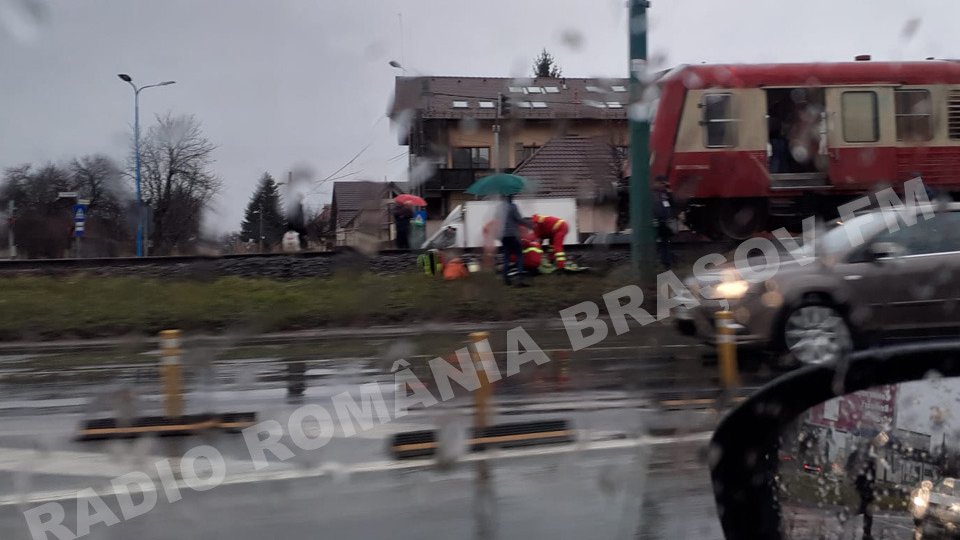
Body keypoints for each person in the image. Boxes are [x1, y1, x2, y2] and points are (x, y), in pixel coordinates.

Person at [500, 194, 532, 286]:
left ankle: (506, 278)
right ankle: (520, 278)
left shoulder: (500, 208)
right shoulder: (513, 207)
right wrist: (529, 224)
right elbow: (519, 219)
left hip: (503, 235)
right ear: (510, 198)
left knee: (506, 256)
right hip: (513, 235)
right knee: (519, 255)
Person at [652, 176, 675, 269]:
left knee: (665, 242)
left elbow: (672, 203)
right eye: (661, 183)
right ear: (656, 183)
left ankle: (666, 262)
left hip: (664, 221)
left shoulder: (664, 193)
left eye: (664, 183)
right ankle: (659, 261)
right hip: (656, 221)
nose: (663, 185)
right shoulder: (652, 193)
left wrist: (669, 192)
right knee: (657, 243)